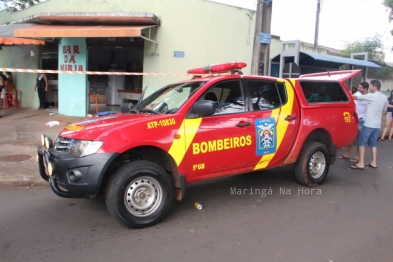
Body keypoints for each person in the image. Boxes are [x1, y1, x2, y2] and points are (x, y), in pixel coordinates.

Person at [350, 80, 388, 170]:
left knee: (361, 142)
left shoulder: (371, 96)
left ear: (375, 87)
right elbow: (384, 111)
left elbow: (355, 97)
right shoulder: (384, 97)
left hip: (368, 124)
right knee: (373, 144)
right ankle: (374, 162)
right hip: (377, 124)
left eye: (370, 86)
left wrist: (347, 94)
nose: (370, 88)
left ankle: (361, 163)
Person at [338, 82, 369, 162]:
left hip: (363, 120)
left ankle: (357, 156)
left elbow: (353, 97)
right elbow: (352, 100)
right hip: (355, 119)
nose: (359, 89)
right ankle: (347, 154)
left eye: (361, 87)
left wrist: (348, 94)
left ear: (366, 88)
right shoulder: (358, 94)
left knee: (360, 139)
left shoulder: (369, 97)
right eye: (359, 87)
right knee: (352, 137)